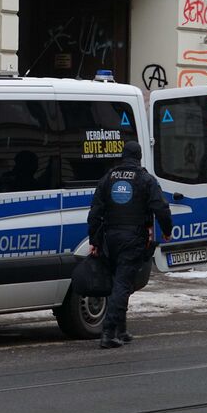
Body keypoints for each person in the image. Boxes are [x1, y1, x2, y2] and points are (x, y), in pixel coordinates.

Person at [87, 140, 172, 349]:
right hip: (132, 239)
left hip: (110, 238)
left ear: (123, 156)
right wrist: (167, 230)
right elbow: (161, 208)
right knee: (123, 285)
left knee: (118, 283)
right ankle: (108, 333)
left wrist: (95, 240)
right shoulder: (145, 179)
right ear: (139, 157)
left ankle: (121, 330)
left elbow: (95, 212)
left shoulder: (108, 178)